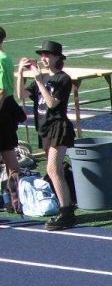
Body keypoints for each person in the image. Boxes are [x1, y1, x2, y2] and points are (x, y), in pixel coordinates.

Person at [20, 40, 75, 230]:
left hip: (59, 127)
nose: (44, 58)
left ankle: (66, 211)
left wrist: (38, 80)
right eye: (42, 55)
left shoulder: (63, 78)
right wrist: (21, 74)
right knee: (56, 171)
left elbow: (52, 104)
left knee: (52, 169)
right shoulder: (42, 78)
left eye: (48, 55)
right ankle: (67, 208)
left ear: (57, 57)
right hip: (45, 129)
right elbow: (21, 95)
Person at [0, 26, 24, 215]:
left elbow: (1, 89)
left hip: (2, 110)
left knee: (9, 157)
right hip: (7, 110)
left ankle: (13, 199)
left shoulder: (0, 59)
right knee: (10, 157)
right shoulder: (5, 58)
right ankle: (17, 201)